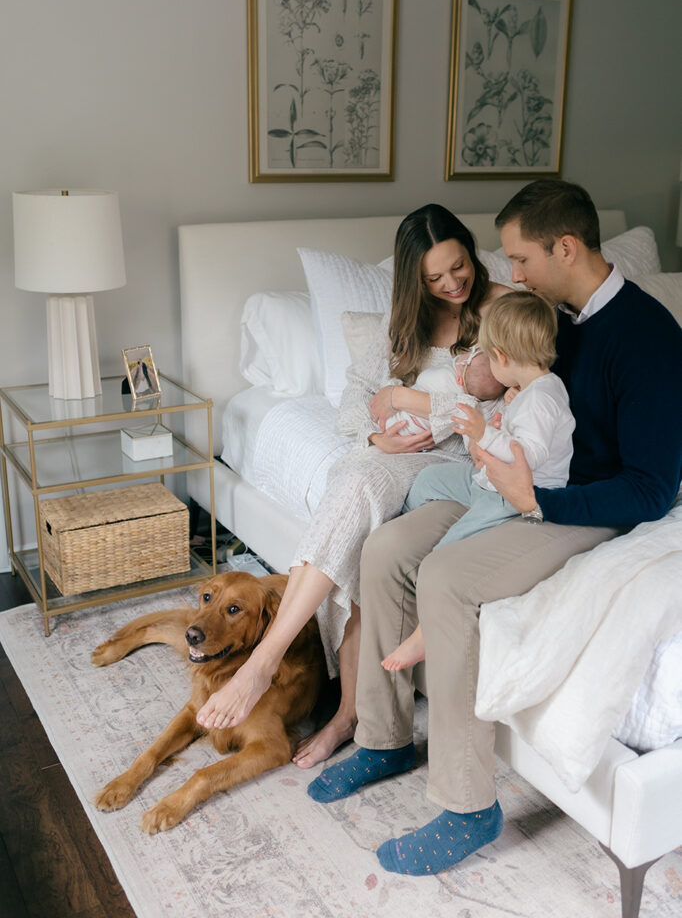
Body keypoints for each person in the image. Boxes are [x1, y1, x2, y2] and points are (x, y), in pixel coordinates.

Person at [306, 179, 682, 878]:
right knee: (387, 548)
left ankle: (467, 805)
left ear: (565, 248)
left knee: (447, 577)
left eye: (520, 259)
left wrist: (539, 504)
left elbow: (653, 489)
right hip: (515, 480)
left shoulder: (650, 339)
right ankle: (383, 737)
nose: (508, 274)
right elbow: (499, 386)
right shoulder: (552, 319)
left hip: (582, 503)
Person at [196, 204, 510, 768]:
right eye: (434, 278)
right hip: (394, 454)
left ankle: (265, 663)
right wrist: (375, 432)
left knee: (356, 480)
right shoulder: (404, 323)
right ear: (415, 280)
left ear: (471, 250)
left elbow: (495, 399)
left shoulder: (501, 310)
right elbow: (353, 394)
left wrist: (406, 401)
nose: (451, 284)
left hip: (459, 455)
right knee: (357, 497)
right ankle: (343, 713)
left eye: (458, 267)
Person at [382, 290, 575, 672]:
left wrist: (485, 432)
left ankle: (423, 636)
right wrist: (501, 425)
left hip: (509, 494)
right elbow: (521, 437)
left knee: (442, 556)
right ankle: (413, 518)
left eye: (487, 357)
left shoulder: (542, 399)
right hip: (486, 478)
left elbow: (526, 458)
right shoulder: (531, 391)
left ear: (502, 357)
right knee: (429, 480)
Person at [385, 344, 505, 437]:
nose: (462, 357)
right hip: (404, 422)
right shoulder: (473, 398)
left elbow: (423, 380)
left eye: (467, 358)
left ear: (459, 380)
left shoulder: (445, 379)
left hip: (403, 422)